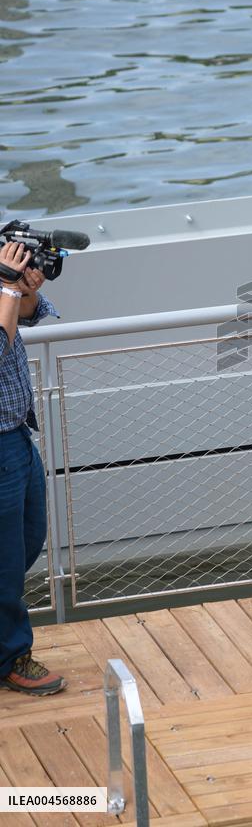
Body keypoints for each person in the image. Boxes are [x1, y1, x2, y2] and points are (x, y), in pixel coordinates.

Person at [0, 241, 65, 696]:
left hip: (16, 432)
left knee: (29, 536)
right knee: (4, 558)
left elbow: (31, 314)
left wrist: (24, 290)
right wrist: (5, 286)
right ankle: (13, 655)